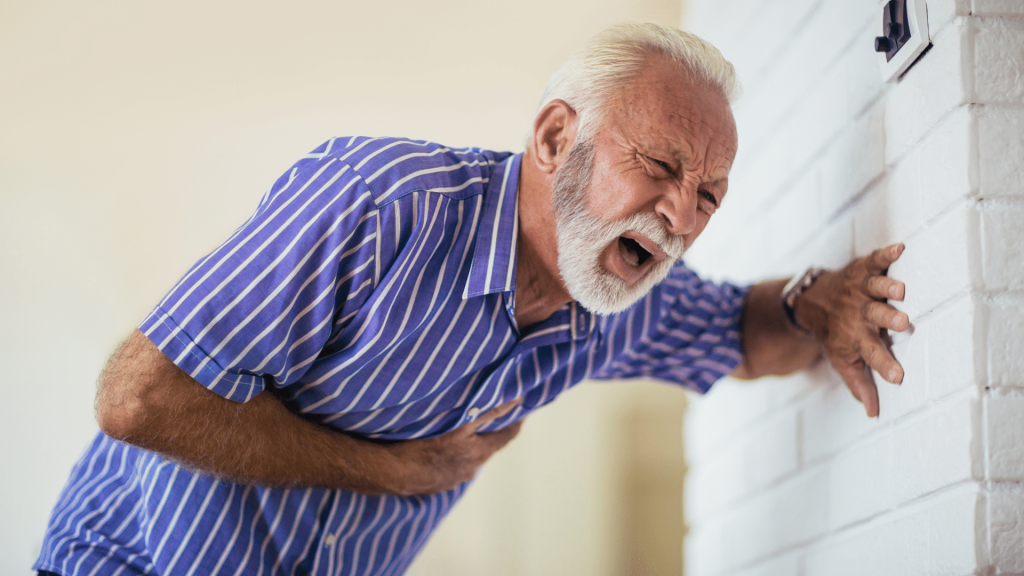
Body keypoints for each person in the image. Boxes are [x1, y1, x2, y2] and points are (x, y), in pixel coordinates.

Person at [34, 22, 908, 576]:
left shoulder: (614, 297)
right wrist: (397, 469)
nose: (681, 216)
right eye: (661, 166)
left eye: (710, 195)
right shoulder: (380, 205)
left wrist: (817, 305)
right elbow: (138, 396)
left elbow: (743, 335)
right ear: (558, 136)